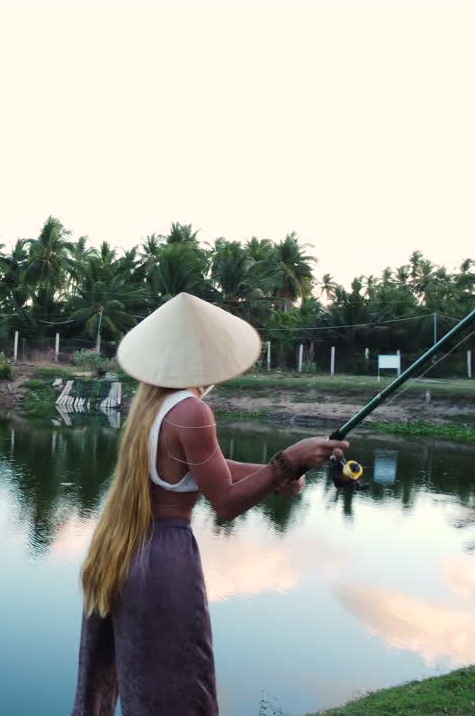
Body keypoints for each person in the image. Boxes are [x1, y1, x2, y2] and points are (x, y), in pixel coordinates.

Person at [71, 293, 349, 716]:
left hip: (125, 552)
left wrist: (270, 473)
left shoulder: (152, 405)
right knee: (179, 686)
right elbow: (225, 502)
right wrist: (289, 460)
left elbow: (209, 467)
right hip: (165, 559)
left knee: (140, 684)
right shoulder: (193, 411)